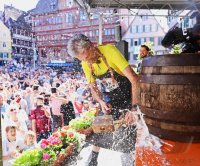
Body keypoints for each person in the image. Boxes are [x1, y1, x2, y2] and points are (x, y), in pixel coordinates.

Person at [67, 34, 139, 166]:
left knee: (131, 129)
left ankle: (134, 160)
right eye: (82, 59)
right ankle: (93, 159)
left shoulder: (110, 51)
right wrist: (101, 102)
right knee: (100, 125)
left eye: (87, 57)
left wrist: (134, 108)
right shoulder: (85, 63)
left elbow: (134, 79)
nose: (87, 62)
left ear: (91, 47)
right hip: (110, 98)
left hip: (129, 94)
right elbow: (93, 87)